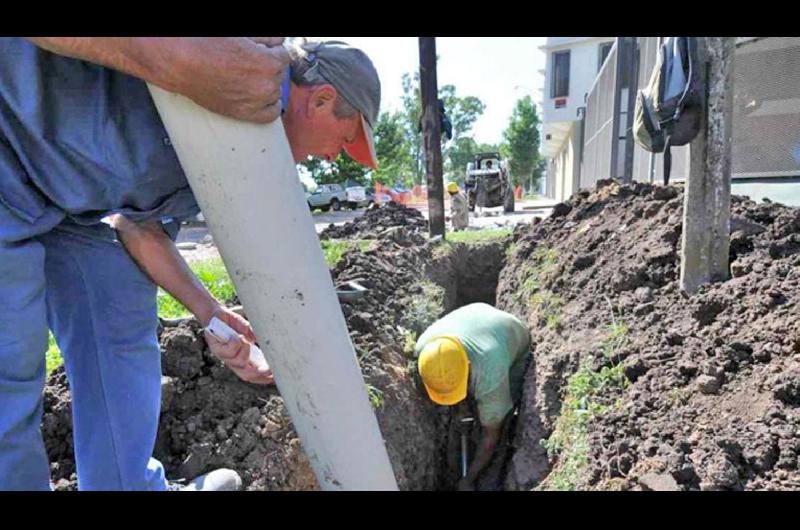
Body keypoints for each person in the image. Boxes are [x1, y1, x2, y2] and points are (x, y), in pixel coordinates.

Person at [0, 38, 380, 491]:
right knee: (10, 370)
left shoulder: (239, 148)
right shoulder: (231, 61)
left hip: (74, 205)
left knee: (120, 324)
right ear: (320, 99)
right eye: (345, 138)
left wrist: (210, 313)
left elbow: (139, 229)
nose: (336, 156)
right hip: (9, 150)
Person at [414, 303, 531, 491]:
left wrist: (469, 479)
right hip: (475, 316)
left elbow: (491, 435)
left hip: (511, 335)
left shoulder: (491, 371)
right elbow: (448, 377)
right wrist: (461, 410)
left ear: (468, 364)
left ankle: (491, 472)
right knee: (469, 397)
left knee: (500, 421)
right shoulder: (426, 351)